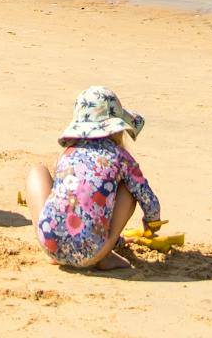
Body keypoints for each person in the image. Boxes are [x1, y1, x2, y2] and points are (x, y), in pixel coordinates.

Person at [21, 87, 161, 270]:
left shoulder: (68, 154)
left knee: (37, 172)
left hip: (51, 245)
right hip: (91, 251)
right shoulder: (121, 157)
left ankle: (52, 245)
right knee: (130, 189)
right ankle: (105, 255)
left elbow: (75, 203)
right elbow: (147, 199)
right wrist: (152, 223)